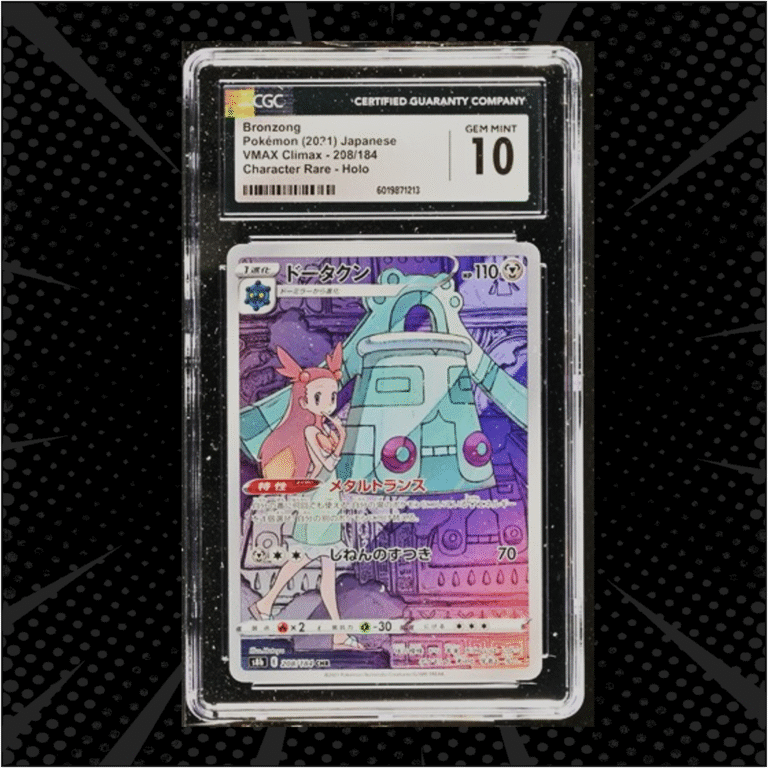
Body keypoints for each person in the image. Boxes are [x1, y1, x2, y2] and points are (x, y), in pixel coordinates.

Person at [249, 342, 364, 650]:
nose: (328, 403)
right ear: (304, 400)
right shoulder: (311, 432)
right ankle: (271, 606)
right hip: (319, 503)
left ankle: (269, 605)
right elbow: (327, 466)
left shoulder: (322, 428)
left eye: (332, 396)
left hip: (327, 502)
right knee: (310, 562)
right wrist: (341, 441)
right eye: (320, 397)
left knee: (319, 568)